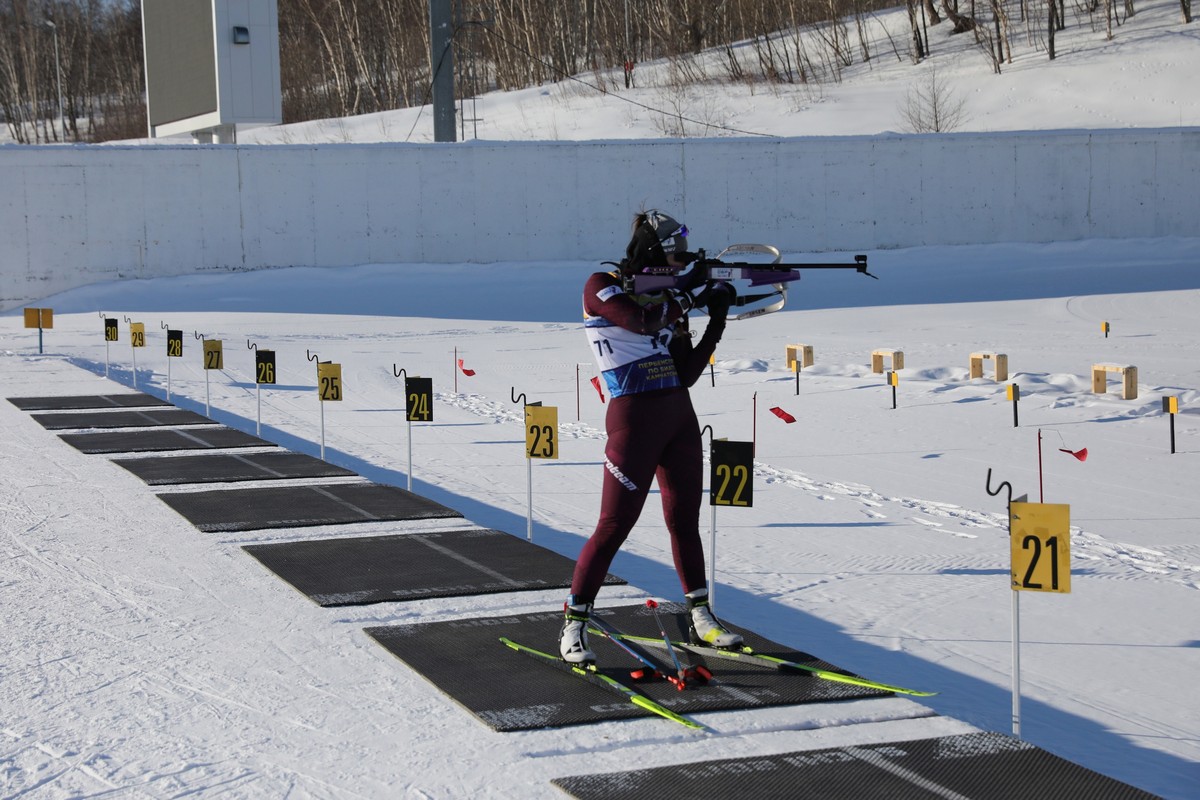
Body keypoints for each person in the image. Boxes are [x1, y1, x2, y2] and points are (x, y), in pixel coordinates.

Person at [560, 209, 743, 664]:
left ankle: (702, 615)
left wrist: (715, 322)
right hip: (633, 421)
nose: (681, 263)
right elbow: (639, 322)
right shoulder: (601, 283)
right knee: (613, 526)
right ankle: (573, 624)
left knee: (685, 522)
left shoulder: (665, 298)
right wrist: (690, 296)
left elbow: (686, 374)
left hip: (678, 415)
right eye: (675, 255)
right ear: (654, 253)